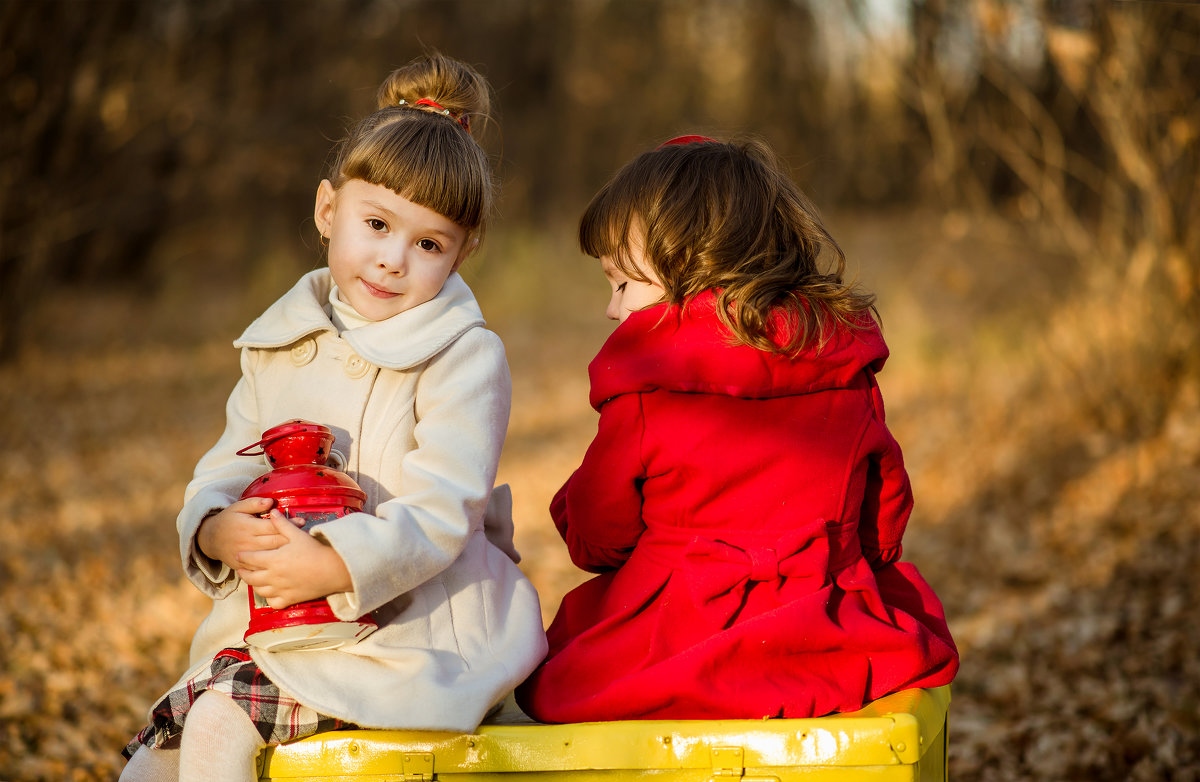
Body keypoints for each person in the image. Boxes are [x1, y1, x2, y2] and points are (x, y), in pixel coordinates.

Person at [121, 52, 547, 781]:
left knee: (221, 724)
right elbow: (226, 467)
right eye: (376, 224)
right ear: (328, 210)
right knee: (151, 767)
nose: (391, 261)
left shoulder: (463, 356)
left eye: (428, 244)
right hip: (273, 632)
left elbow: (445, 508)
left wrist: (334, 561)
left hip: (406, 634)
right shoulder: (278, 341)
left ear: (463, 252)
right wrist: (217, 528)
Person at [515, 135, 959, 723]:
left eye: (622, 284)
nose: (612, 309)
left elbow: (597, 537)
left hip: (670, 645)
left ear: (691, 272)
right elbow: (885, 516)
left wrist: (579, 514)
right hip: (825, 638)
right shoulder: (843, 371)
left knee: (548, 677)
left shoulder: (648, 392)